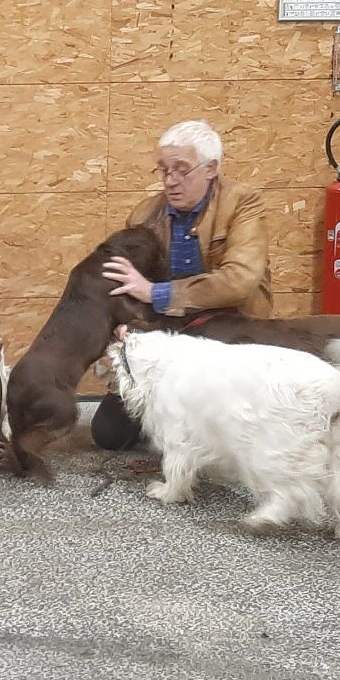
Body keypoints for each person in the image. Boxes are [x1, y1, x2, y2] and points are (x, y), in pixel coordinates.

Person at [92, 119, 273, 450]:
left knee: (220, 433)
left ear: (211, 169)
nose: (170, 181)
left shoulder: (243, 203)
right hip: (167, 333)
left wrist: (155, 292)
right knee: (108, 435)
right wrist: (123, 322)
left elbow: (240, 281)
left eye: (181, 170)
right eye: (163, 170)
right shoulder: (144, 214)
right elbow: (123, 282)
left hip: (230, 331)